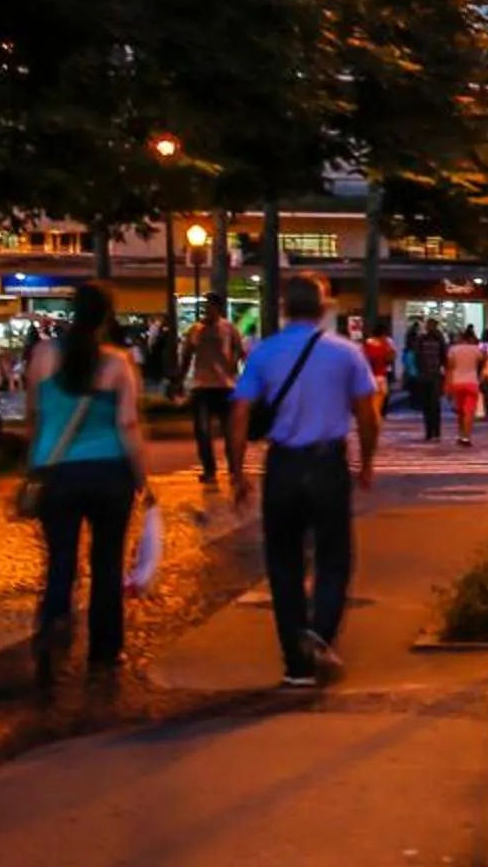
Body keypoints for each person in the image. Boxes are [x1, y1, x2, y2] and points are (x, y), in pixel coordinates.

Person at [228, 273, 381, 689]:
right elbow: (368, 414)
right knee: (334, 555)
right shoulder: (345, 353)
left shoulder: (263, 352)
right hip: (327, 463)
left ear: (283, 307)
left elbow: (240, 414)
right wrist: (366, 461)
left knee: (283, 561)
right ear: (323, 306)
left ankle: (295, 662)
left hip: (283, 466)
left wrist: (237, 472)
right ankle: (322, 633)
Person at [25, 283, 150, 690]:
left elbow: (34, 414)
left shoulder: (43, 356)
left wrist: (35, 464)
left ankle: (53, 624)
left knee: (60, 559)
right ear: (106, 317)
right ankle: (104, 650)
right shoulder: (117, 363)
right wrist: (141, 478)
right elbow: (128, 424)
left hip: (56, 471)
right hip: (109, 472)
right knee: (107, 563)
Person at [183, 294, 245, 486]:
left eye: (210, 306)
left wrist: (236, 367)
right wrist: (180, 378)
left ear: (218, 308)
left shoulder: (229, 328)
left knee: (230, 431)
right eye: (204, 306)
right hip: (202, 386)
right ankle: (209, 470)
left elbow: (240, 351)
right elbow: (186, 354)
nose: (206, 310)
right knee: (202, 431)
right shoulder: (196, 329)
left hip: (225, 386)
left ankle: (234, 470)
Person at [406, 320, 448, 442]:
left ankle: (430, 432)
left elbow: (417, 356)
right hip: (434, 375)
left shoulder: (422, 340)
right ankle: (435, 432)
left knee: (428, 405)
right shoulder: (439, 340)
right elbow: (444, 357)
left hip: (426, 375)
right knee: (434, 404)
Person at [445, 324, 486, 447]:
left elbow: (449, 368)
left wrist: (448, 385)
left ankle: (460, 434)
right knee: (469, 412)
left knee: (460, 411)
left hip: (457, 382)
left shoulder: (453, 350)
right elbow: (482, 361)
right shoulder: (476, 349)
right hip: (472, 382)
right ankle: (466, 437)